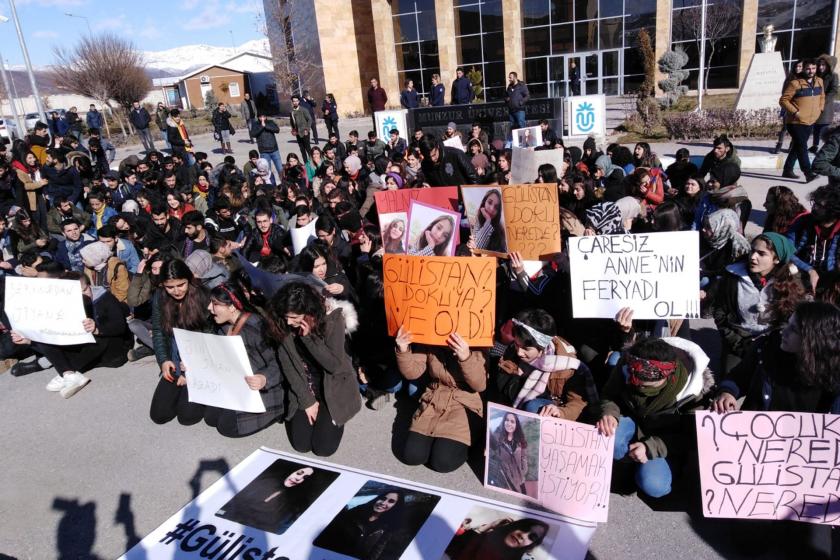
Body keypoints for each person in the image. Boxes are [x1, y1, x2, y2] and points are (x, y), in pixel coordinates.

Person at [596, 337, 712, 498]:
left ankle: (648, 468)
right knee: (609, 438)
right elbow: (609, 393)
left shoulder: (695, 393)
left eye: (644, 385)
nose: (635, 385)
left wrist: (651, 447)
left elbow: (692, 436)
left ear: (668, 377)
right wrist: (609, 413)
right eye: (632, 380)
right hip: (631, 420)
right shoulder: (628, 362)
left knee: (655, 487)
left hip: (663, 438)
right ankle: (626, 465)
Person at [264, 282, 361, 456]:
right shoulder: (282, 324)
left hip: (332, 386)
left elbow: (334, 365)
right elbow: (288, 367)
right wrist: (306, 401)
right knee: (301, 445)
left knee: (323, 448)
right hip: (305, 384)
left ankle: (333, 414)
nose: (288, 321)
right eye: (286, 316)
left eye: (294, 317)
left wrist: (309, 339)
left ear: (309, 311)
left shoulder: (333, 319)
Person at [10, 272, 131, 398]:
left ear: (90, 285)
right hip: (85, 348)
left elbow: (119, 327)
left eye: (84, 290)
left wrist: (97, 329)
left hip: (112, 350)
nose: (82, 296)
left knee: (94, 339)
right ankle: (69, 374)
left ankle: (65, 370)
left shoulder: (104, 298)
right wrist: (29, 340)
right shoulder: (66, 306)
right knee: (46, 334)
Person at [712, 301, 840, 414]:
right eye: (788, 324)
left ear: (814, 340)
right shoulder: (767, 347)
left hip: (804, 439)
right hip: (754, 435)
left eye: (793, 329)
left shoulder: (834, 371)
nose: (784, 331)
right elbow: (738, 377)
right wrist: (727, 392)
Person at [707, 233, 806, 372]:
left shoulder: (789, 283)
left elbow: (790, 319)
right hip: (738, 341)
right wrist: (739, 344)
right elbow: (720, 313)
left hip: (774, 343)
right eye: (752, 250)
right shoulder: (732, 277)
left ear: (776, 259)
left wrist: (773, 342)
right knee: (731, 378)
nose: (753, 257)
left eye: (761, 253)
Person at [395, 324, 486, 473]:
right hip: (434, 399)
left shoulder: (478, 338)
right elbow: (412, 373)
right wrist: (403, 350)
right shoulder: (432, 335)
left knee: (443, 462)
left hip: (463, 404)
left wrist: (466, 357)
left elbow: (479, 385)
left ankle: (474, 437)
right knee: (412, 456)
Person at [206, 283, 286, 437]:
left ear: (232, 307)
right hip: (240, 384)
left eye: (215, 304)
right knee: (211, 418)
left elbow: (280, 361)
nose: (209, 307)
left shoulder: (256, 327)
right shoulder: (223, 326)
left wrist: (264, 378)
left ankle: (276, 412)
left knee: (227, 427)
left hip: (264, 388)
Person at [149, 259, 212, 426]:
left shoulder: (203, 296)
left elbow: (211, 338)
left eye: (181, 285)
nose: (176, 291)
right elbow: (158, 331)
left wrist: (191, 368)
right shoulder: (160, 297)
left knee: (188, 417)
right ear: (163, 285)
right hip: (175, 357)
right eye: (170, 287)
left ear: (189, 280)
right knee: (159, 415)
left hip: (200, 362)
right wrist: (163, 360)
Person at [216, 464, 323, 534]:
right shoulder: (264, 481)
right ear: (292, 471)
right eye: (299, 473)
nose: (298, 478)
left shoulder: (294, 506)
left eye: (305, 478)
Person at [314, 490, 405, 560]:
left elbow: (375, 553)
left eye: (391, 501)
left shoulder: (387, 528)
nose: (383, 503)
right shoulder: (357, 511)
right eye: (383, 498)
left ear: (396, 507)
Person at [779, 58, 824, 182]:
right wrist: (795, 112)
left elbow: (822, 97)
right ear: (803, 69)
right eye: (808, 68)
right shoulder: (795, 83)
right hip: (795, 122)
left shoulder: (819, 82)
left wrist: (820, 109)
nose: (811, 71)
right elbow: (783, 100)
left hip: (810, 121)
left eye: (813, 68)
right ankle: (808, 173)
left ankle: (787, 170)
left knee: (798, 146)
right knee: (802, 147)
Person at [443, 517, 549, 560]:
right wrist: (487, 527)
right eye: (524, 528)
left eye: (532, 537)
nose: (523, 535)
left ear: (531, 545)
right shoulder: (484, 536)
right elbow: (448, 548)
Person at [487, 412, 529, 494]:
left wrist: (524, 468)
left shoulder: (520, 439)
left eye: (512, 421)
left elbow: (524, 455)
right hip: (509, 477)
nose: (509, 423)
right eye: (507, 420)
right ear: (503, 422)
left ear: (516, 425)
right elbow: (493, 451)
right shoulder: (497, 439)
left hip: (521, 474)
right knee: (514, 494)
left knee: (524, 495)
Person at [812, 55, 837, 153]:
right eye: (820, 65)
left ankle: (826, 147)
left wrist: (823, 100)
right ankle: (815, 146)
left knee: (824, 128)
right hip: (815, 104)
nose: (821, 67)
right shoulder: (816, 75)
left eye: (823, 65)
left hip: (826, 106)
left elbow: (834, 90)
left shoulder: (833, 76)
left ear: (828, 66)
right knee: (816, 128)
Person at [470, 188, 506, 253]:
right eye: (489, 203)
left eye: (496, 207)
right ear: (484, 202)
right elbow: (478, 247)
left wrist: (488, 220)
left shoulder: (500, 231)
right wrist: (488, 221)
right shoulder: (476, 221)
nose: (492, 209)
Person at [251, 114, 282, 180]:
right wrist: (261, 127)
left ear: (266, 117)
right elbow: (253, 134)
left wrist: (266, 126)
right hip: (264, 152)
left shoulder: (270, 122)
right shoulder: (255, 124)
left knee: (280, 169)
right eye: (260, 117)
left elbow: (277, 130)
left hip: (274, 150)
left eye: (264, 116)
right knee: (267, 172)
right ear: (258, 117)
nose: (262, 118)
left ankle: (284, 184)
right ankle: (271, 186)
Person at [290, 95, 313, 164]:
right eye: (294, 101)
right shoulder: (291, 111)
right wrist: (293, 129)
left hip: (305, 132)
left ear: (299, 101)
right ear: (292, 102)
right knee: (302, 150)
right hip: (297, 133)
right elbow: (292, 121)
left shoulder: (303, 110)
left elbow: (310, 119)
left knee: (308, 149)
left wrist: (307, 129)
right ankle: (306, 164)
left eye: (296, 101)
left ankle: (312, 162)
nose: (295, 102)